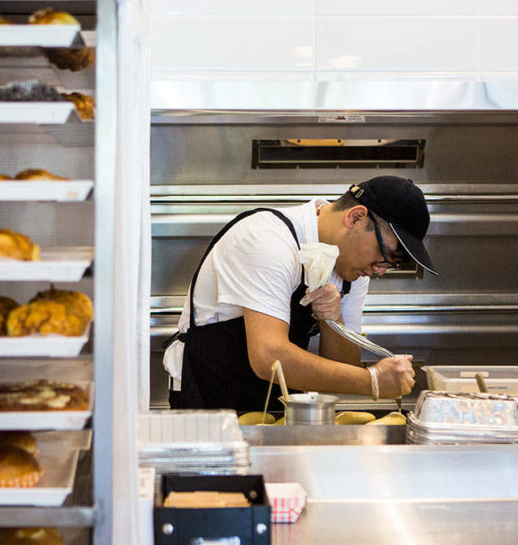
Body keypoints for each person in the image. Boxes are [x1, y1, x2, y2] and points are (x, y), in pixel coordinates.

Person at [164, 176, 437, 411]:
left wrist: (333, 319)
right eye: (386, 254)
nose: (381, 270)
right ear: (356, 217)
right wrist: (373, 380)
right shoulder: (268, 239)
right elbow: (269, 357)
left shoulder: (352, 268)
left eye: (392, 265)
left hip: (278, 406)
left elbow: (342, 365)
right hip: (210, 398)